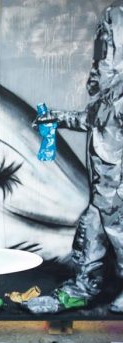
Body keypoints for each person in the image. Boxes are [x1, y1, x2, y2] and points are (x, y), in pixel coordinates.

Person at [31, 1, 123, 313]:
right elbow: (90, 121)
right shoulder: (108, 99)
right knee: (91, 236)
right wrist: (55, 118)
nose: (98, 64)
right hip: (103, 192)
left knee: (116, 237)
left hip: (116, 193)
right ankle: (83, 287)